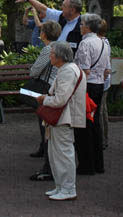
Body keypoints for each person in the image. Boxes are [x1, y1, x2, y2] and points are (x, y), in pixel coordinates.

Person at [35, 41, 86, 201]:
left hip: (63, 118)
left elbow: (60, 99)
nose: (49, 56)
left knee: (63, 154)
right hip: (62, 117)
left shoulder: (67, 71)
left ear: (59, 56)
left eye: (51, 53)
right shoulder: (67, 69)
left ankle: (68, 189)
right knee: (57, 153)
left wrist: (44, 100)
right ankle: (61, 186)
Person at [74, 13, 108, 175]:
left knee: (83, 125)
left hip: (86, 86)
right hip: (99, 84)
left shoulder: (85, 44)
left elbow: (84, 70)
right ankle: (98, 163)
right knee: (95, 125)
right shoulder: (103, 43)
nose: (80, 26)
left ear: (87, 26)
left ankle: (86, 165)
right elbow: (107, 70)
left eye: (81, 24)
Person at [28, 20, 61, 181]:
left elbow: (34, 71)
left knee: (45, 126)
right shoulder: (61, 46)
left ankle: (47, 167)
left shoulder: (48, 49)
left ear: (43, 34)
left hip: (44, 89)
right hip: (55, 88)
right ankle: (47, 156)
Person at [10, 0, 82, 52]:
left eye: (64, 6)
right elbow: (44, 9)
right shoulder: (61, 17)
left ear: (72, 10)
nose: (61, 7)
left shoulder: (83, 25)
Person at [97, 19, 112, 150]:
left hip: (100, 82)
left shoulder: (101, 43)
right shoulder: (105, 42)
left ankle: (101, 139)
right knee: (103, 110)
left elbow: (106, 68)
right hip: (103, 81)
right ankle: (104, 139)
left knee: (100, 111)